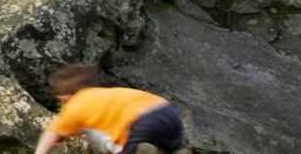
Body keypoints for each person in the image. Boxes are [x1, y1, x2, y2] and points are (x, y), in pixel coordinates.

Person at [33, 63, 189, 154]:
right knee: (175, 147)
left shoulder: (75, 105)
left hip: (138, 123)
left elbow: (52, 132)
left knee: (122, 145)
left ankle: (141, 150)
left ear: (65, 97)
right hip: (166, 110)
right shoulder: (105, 95)